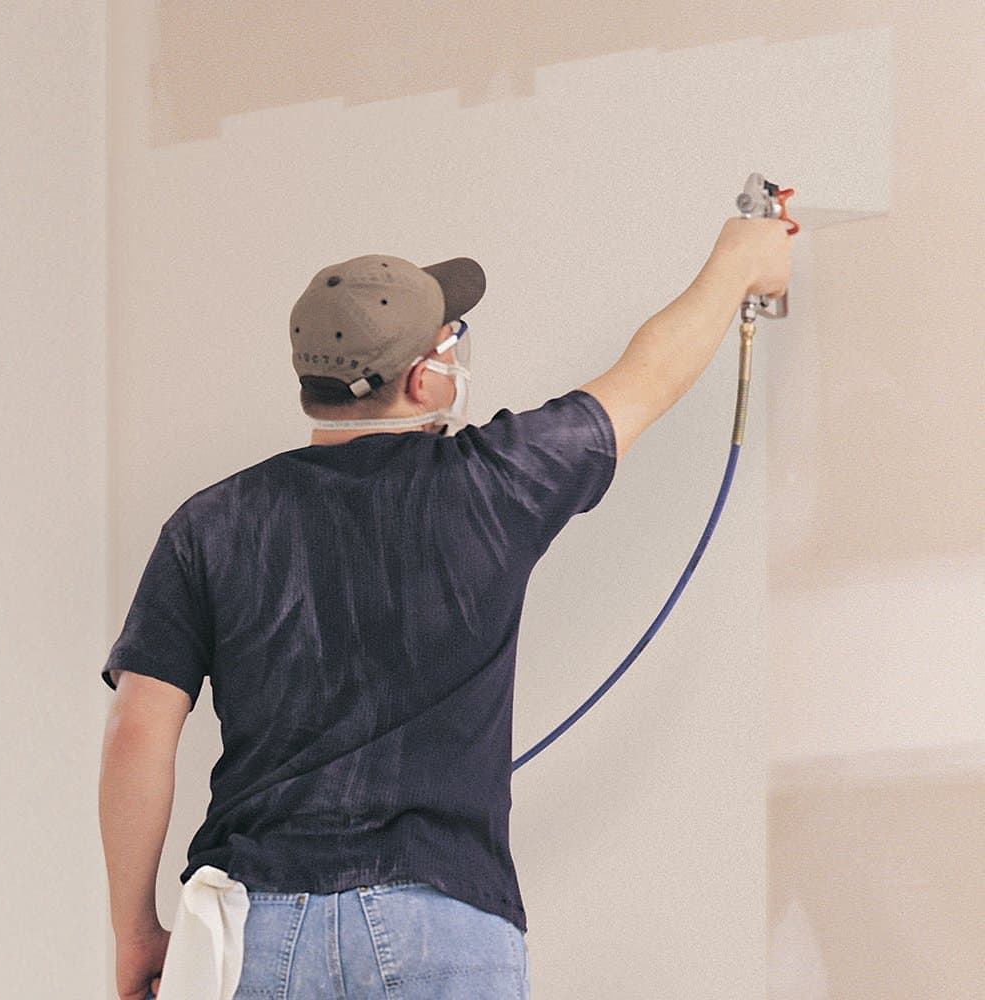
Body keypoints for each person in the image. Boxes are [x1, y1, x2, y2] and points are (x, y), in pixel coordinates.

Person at [98, 216, 793, 1000]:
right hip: (441, 928)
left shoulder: (210, 523)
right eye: (451, 338)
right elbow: (649, 374)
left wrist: (135, 933)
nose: (459, 351)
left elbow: (136, 733)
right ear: (424, 379)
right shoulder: (491, 483)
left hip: (254, 932)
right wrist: (739, 260)